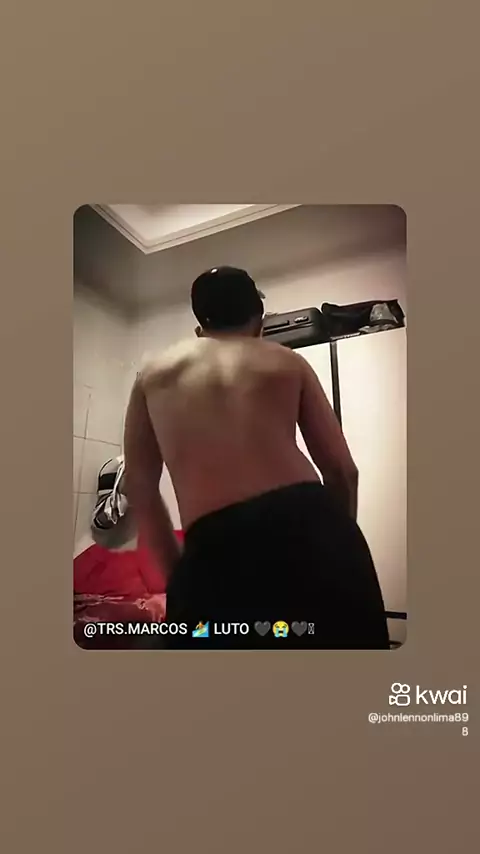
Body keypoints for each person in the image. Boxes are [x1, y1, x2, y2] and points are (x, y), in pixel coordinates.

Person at [123, 266, 390, 649]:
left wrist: (181, 576)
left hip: (215, 550)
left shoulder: (152, 376)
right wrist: (338, 546)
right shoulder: (287, 360)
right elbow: (342, 471)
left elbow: (140, 488)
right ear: (259, 322)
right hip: (315, 526)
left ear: (200, 328)